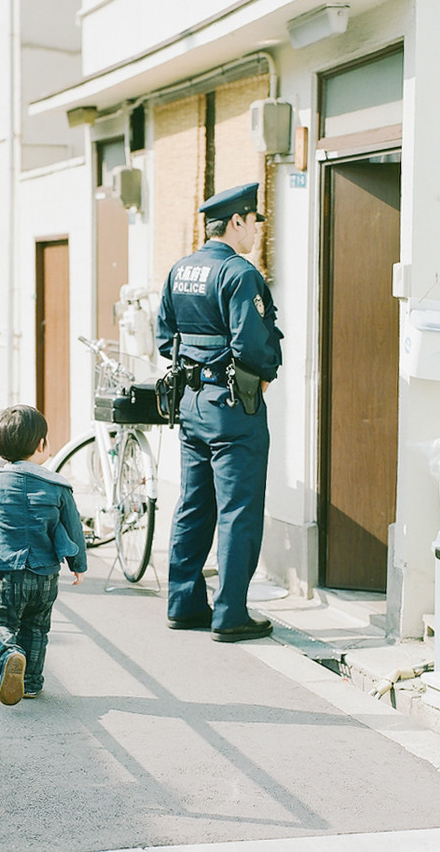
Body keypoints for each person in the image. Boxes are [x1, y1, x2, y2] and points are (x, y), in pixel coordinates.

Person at [156, 182, 283, 643]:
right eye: (253, 223)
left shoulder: (180, 270)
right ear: (236, 222)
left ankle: (184, 603)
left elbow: (163, 337)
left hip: (190, 406)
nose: (255, 232)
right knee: (238, 509)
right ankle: (231, 614)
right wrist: (266, 372)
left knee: (194, 503)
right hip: (233, 408)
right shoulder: (238, 273)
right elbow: (252, 343)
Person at [0, 405, 87, 705]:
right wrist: (78, 564)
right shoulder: (58, 487)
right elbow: (73, 527)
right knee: (37, 628)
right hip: (45, 573)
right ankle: (31, 683)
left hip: (5, 571)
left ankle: (9, 653)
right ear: (42, 445)